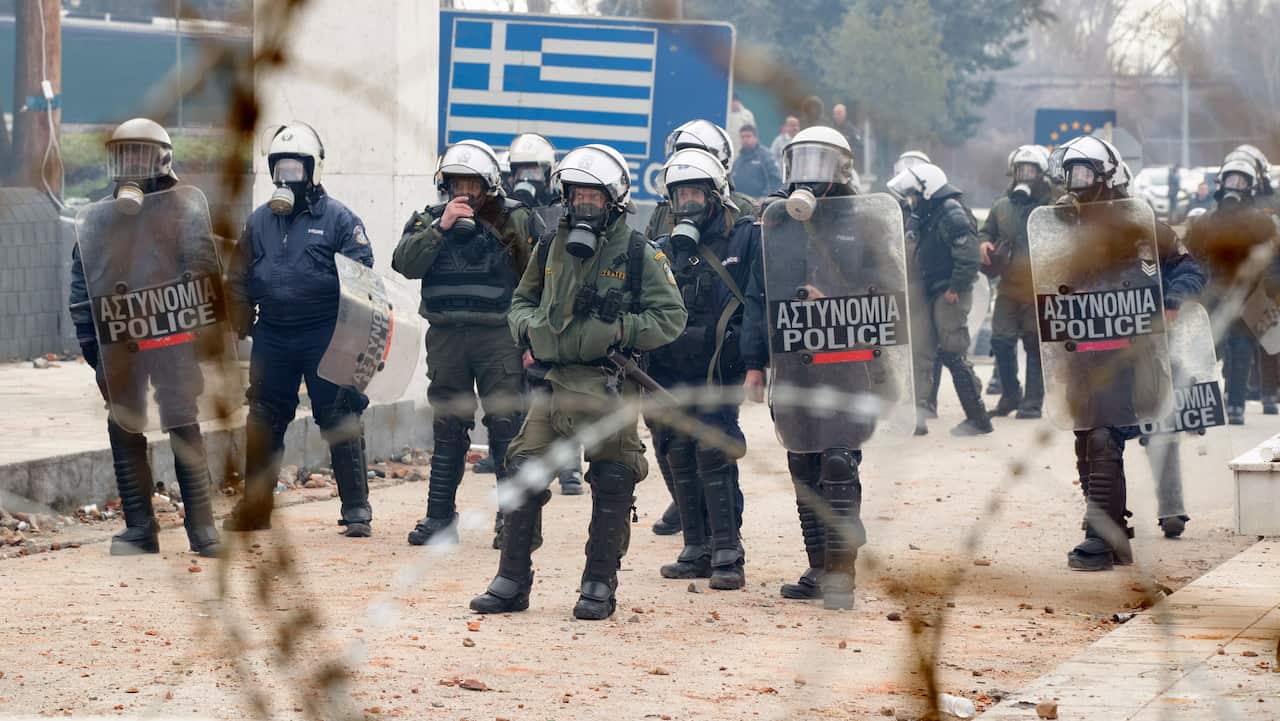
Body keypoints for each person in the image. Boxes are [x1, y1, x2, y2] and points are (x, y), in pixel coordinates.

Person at [469, 144, 686, 620]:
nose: (584, 204)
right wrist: (528, 328)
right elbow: (521, 300)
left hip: (609, 385)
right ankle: (511, 581)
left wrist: (622, 328)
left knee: (613, 478)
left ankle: (597, 585)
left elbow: (671, 316)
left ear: (614, 200)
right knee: (524, 469)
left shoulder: (636, 251)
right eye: (577, 195)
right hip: (553, 382)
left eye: (594, 196)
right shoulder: (548, 245)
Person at [1042, 136, 1205, 571]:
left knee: (1102, 436)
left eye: (1083, 172)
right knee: (1086, 442)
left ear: (1107, 174)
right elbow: (1041, 278)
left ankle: (1102, 537)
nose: (1074, 183)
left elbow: (1189, 267)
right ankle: (1112, 530)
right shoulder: (1061, 224)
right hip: (1080, 352)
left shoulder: (1142, 224)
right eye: (1069, 173)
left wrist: (1172, 301)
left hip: (1129, 352)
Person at [69, 118, 223, 558]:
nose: (132, 164)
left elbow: (203, 271)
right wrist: (92, 349)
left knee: (182, 424)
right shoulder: (97, 219)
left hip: (173, 342)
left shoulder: (184, 210)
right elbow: (82, 286)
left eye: (141, 154)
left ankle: (202, 527)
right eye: (125, 154)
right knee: (124, 427)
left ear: (161, 160)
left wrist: (198, 334)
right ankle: (140, 527)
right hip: (122, 346)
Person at [742, 126, 878, 610]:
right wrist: (753, 363)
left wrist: (836, 302)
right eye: (804, 159)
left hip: (846, 361)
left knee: (838, 461)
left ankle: (842, 575)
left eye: (822, 160)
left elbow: (888, 297)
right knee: (803, 461)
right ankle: (819, 565)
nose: (811, 172)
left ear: (842, 165)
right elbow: (757, 298)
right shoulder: (775, 221)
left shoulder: (864, 221)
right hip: (791, 361)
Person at [223, 121, 374, 537]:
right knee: (263, 418)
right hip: (273, 332)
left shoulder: (341, 219)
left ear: (314, 170)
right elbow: (237, 275)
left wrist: (354, 337)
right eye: (280, 169)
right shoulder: (258, 222)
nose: (287, 178)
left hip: (325, 332)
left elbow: (363, 275)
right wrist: (238, 319)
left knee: (339, 414)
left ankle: (357, 509)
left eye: (296, 169)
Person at [390, 140, 542, 546]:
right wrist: (440, 230)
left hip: (499, 337)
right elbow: (403, 263)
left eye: (472, 184)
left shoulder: (516, 220)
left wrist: (533, 339)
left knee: (506, 427)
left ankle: (511, 521)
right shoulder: (430, 219)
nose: (464, 191)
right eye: (457, 182)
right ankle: (439, 516)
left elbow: (540, 278)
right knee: (448, 426)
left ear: (488, 185)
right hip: (446, 337)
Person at [647, 147, 759, 590]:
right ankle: (695, 548)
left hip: (718, 369)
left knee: (714, 451)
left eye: (696, 193)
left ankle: (728, 552)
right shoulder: (661, 248)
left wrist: (754, 362)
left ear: (716, 195)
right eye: (681, 195)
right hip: (671, 371)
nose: (688, 203)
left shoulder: (745, 237)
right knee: (677, 449)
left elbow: (759, 301)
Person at [888, 163, 993, 436]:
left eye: (914, 194)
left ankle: (978, 417)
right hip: (929, 292)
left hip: (948, 293)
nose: (911, 200)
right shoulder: (925, 214)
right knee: (920, 353)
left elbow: (969, 257)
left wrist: (956, 287)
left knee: (952, 352)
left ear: (928, 190)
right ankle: (917, 417)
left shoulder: (951, 213)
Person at [1186, 156, 1278, 426]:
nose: (1233, 186)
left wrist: (1271, 288)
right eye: (1230, 179)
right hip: (1211, 295)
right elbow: (1191, 256)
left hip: (1247, 296)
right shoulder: (1205, 221)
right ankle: (1200, 405)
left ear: (1249, 187)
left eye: (1240, 181)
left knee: (1241, 352)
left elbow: (1273, 260)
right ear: (1221, 182)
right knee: (1205, 352)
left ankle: (1235, 404)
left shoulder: (1261, 224)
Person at [979, 145, 1054, 420]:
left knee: (1035, 344)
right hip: (1009, 287)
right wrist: (984, 243)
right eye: (1020, 169)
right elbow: (985, 232)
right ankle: (1010, 395)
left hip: (1039, 288)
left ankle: (1032, 403)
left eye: (1031, 170)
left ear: (1042, 173)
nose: (1025, 175)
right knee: (1000, 340)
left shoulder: (1052, 206)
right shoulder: (1002, 205)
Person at [731, 124, 783, 199]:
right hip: (741, 202)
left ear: (756, 138)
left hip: (760, 203)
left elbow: (775, 181)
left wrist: (765, 197)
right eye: (742, 137)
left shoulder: (765, 156)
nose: (745, 139)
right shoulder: (737, 160)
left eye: (748, 136)